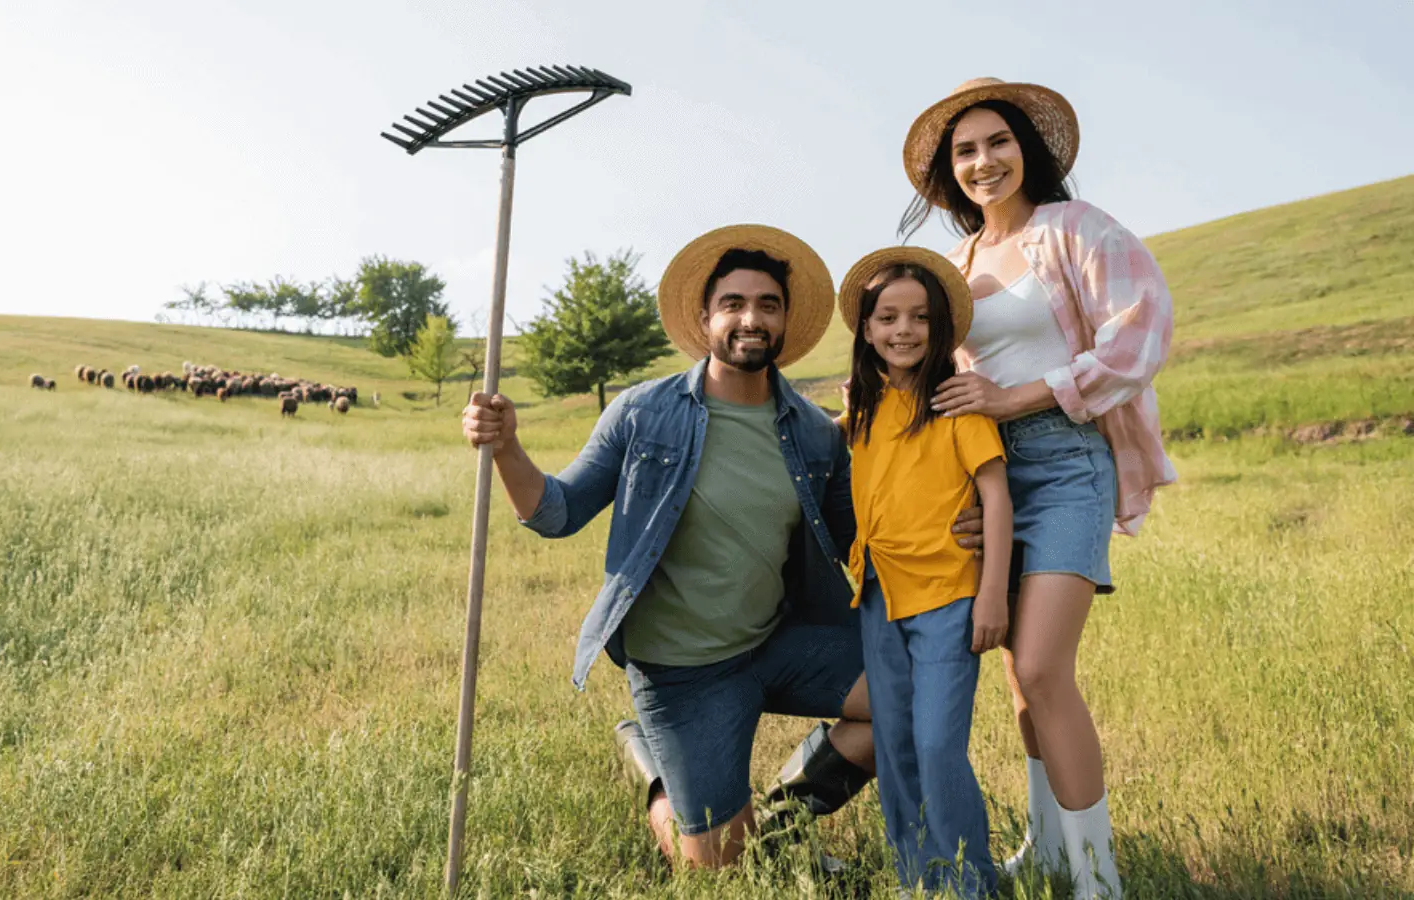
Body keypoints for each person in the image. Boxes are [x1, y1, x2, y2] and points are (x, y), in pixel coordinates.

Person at [463, 225, 882, 868]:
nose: (751, 317)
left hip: (777, 641)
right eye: (734, 303)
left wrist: (960, 519)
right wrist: (508, 447)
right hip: (681, 672)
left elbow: (863, 537)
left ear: (785, 320)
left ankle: (777, 819)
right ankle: (656, 766)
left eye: (768, 304)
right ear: (705, 316)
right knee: (716, 865)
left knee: (908, 696)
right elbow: (557, 512)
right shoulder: (642, 413)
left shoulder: (814, 433)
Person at [898, 77, 1177, 899]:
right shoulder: (952, 266)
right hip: (983, 476)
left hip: (1062, 461)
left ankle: (1098, 879)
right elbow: (929, 369)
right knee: (1019, 674)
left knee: (1047, 666)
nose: (984, 161)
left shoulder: (1076, 229)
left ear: (1028, 149)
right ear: (950, 173)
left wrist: (1020, 396)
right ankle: (1049, 847)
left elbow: (1142, 332)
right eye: (966, 151)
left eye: (998, 142)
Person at [836, 246, 1012, 897]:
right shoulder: (861, 412)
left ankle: (970, 883)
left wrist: (993, 591)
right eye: (887, 318)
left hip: (948, 596)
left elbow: (995, 494)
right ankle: (920, 880)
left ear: (940, 329)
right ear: (867, 328)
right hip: (878, 595)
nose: (903, 331)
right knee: (898, 747)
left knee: (938, 744)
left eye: (919, 319)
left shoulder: (957, 405)